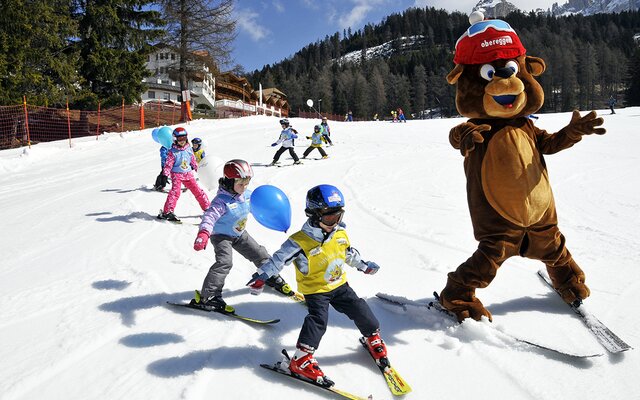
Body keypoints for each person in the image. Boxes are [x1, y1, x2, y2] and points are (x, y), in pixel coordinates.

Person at [246, 184, 386, 386]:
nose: (335, 222)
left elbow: (348, 253)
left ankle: (372, 337)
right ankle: (301, 359)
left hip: (340, 285)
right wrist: (262, 276)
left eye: (339, 217)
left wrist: (363, 266)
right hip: (316, 290)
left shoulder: (340, 233)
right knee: (318, 320)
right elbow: (278, 260)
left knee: (361, 309)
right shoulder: (299, 242)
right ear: (313, 214)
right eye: (330, 218)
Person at [191, 159, 293, 311]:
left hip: (239, 234)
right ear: (229, 181)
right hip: (221, 236)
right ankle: (209, 296)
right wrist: (204, 233)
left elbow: (261, 204)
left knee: (260, 253)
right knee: (224, 262)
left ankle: (270, 275)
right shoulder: (221, 201)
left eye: (247, 183)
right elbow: (209, 216)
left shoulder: (247, 195)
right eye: (240, 184)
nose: (244, 187)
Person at [157, 127, 210, 222]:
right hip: (176, 175)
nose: (182, 141)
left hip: (188, 174)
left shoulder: (189, 149)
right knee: (175, 192)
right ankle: (167, 212)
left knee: (198, 191)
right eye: (180, 139)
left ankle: (208, 208)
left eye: (184, 138)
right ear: (175, 139)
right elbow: (168, 165)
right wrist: (164, 176)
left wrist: (200, 170)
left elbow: (193, 161)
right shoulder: (172, 152)